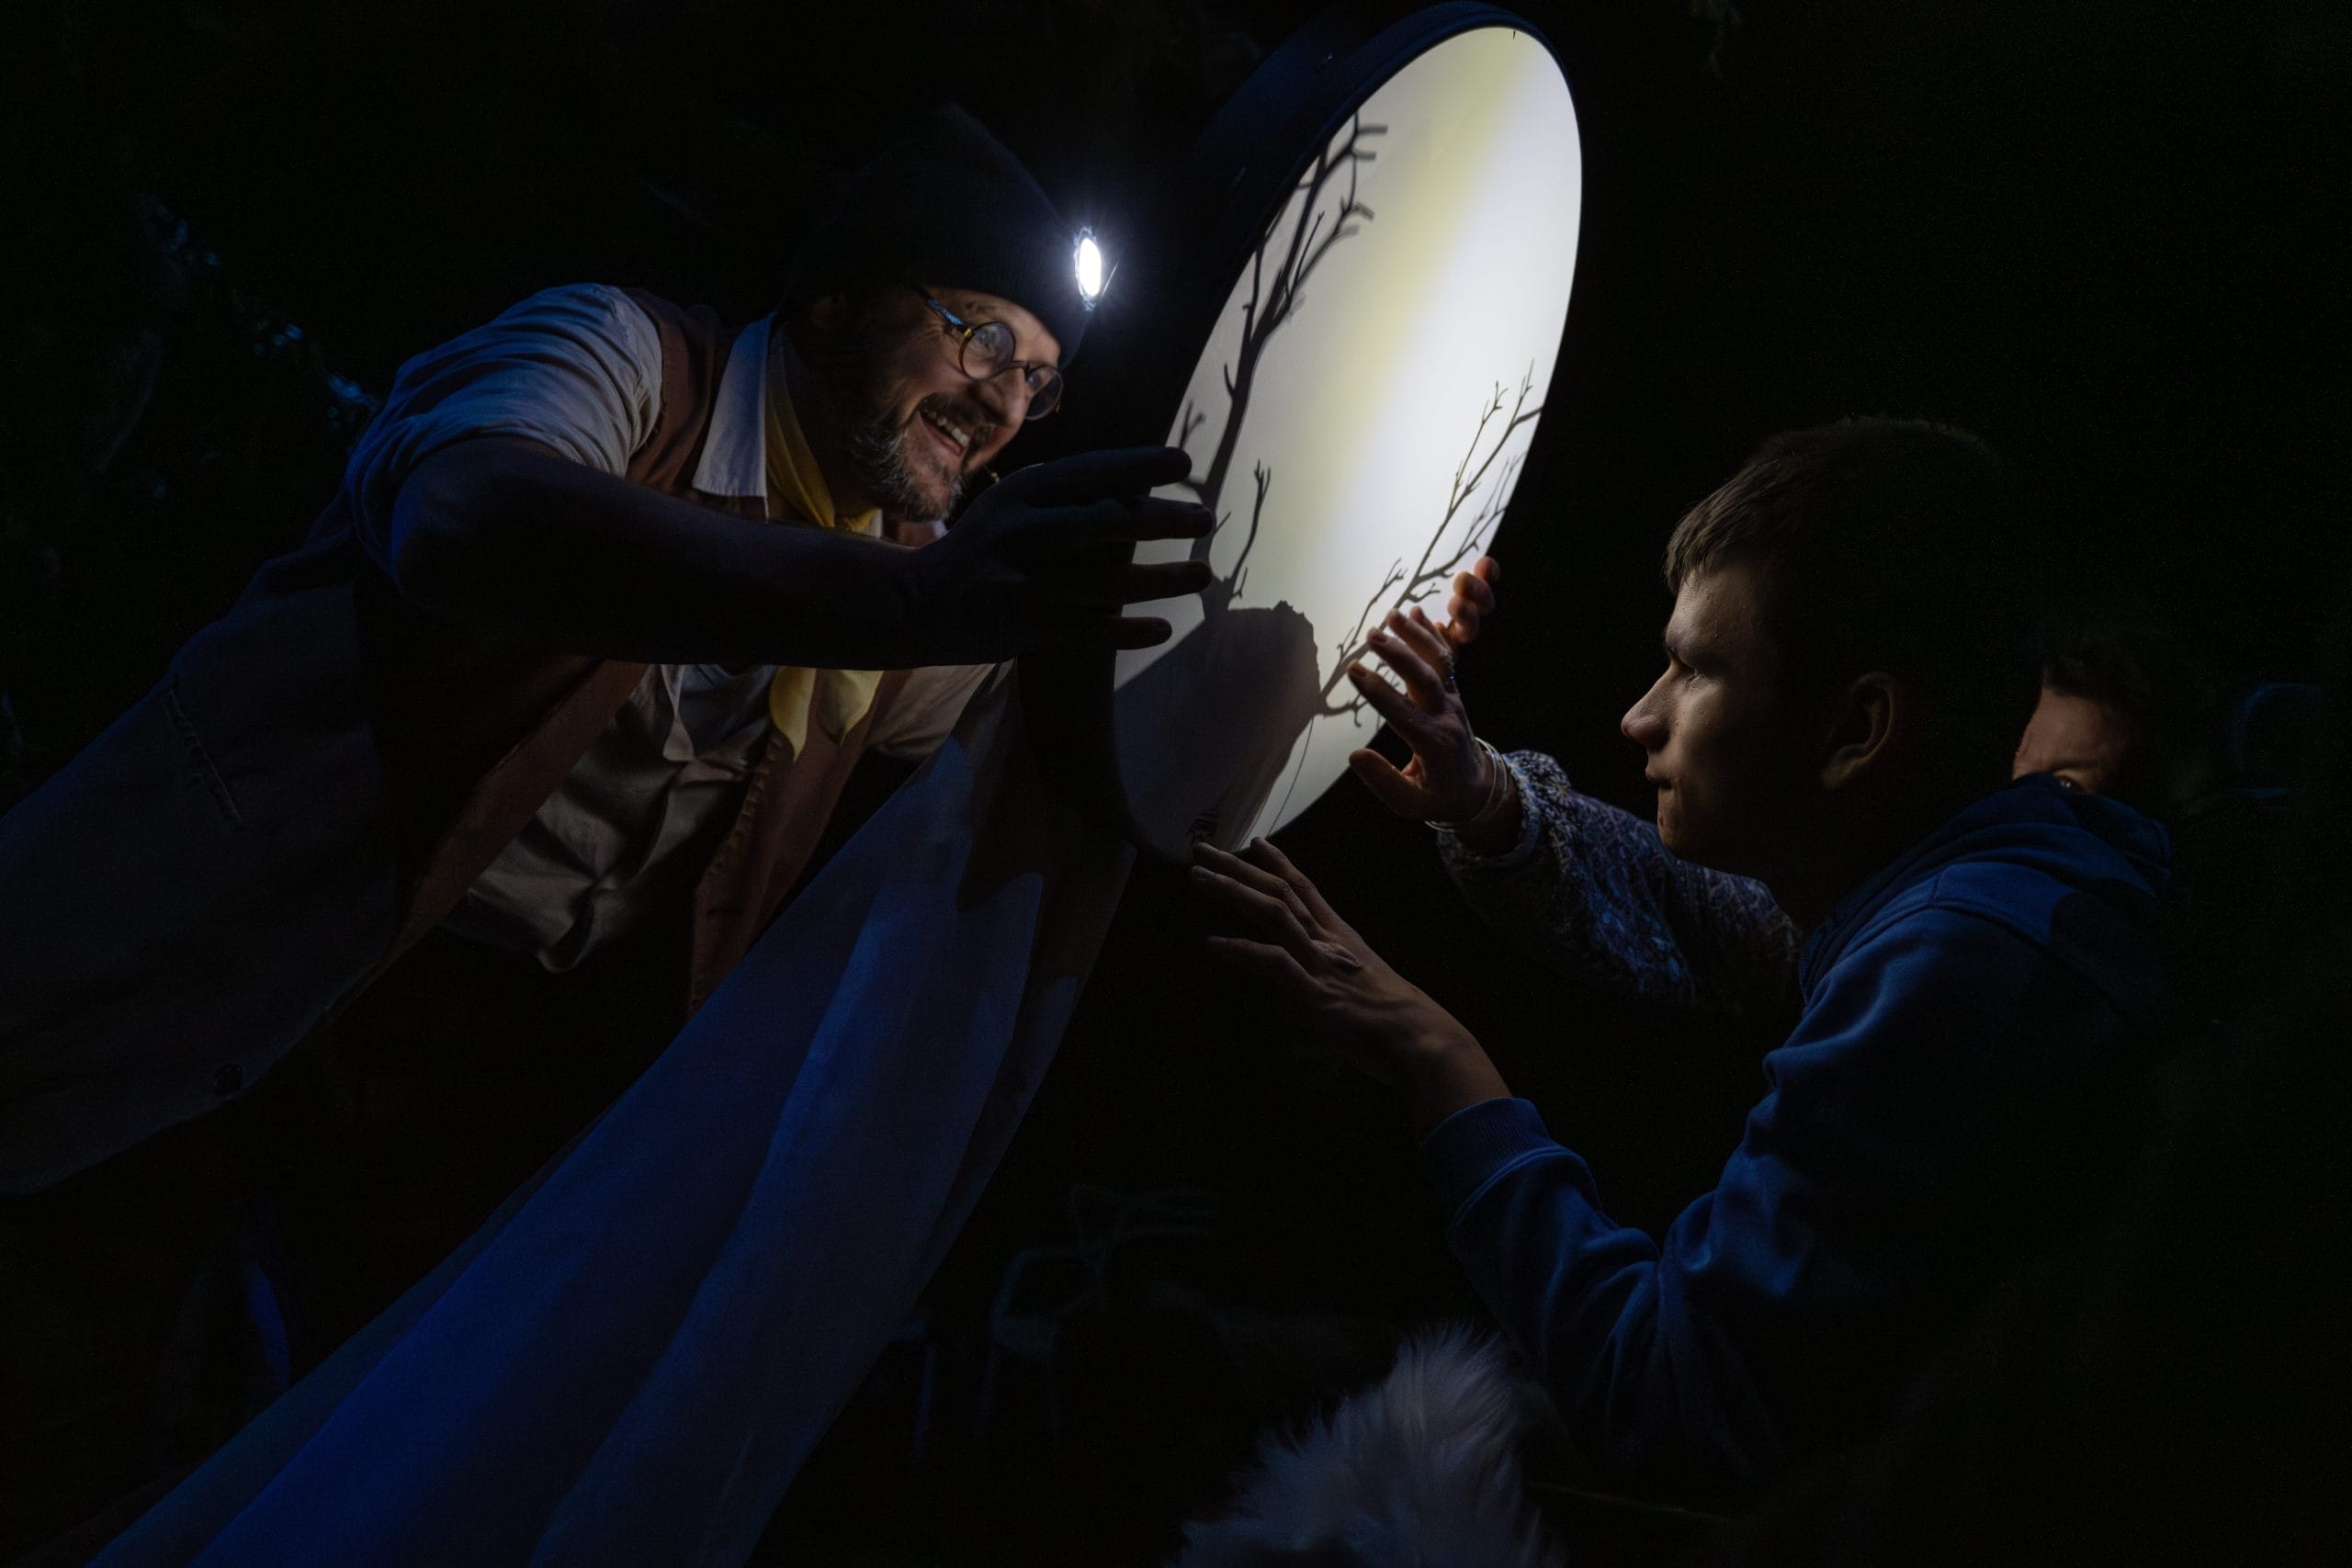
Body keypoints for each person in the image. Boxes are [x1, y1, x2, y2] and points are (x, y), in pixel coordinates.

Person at [0, 106, 1211, 1551]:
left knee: (330, 1472)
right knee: (42, 1376)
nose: (1005, 404)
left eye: (1041, 382)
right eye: (978, 337)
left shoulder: (909, 574)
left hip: (475, 1072)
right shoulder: (630, 362)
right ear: (834, 305)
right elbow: (463, 515)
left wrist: (1330, 626)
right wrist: (899, 602)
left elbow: (1088, 734)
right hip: (242, 939)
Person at [1189, 418, 2172, 1500]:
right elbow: (1708, 916)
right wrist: (1484, 797)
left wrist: (1436, 1062)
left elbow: (1664, 1399)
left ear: (1858, 731)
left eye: (1695, 667)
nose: (1637, 715)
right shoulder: (2015, 881)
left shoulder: (1954, 973)